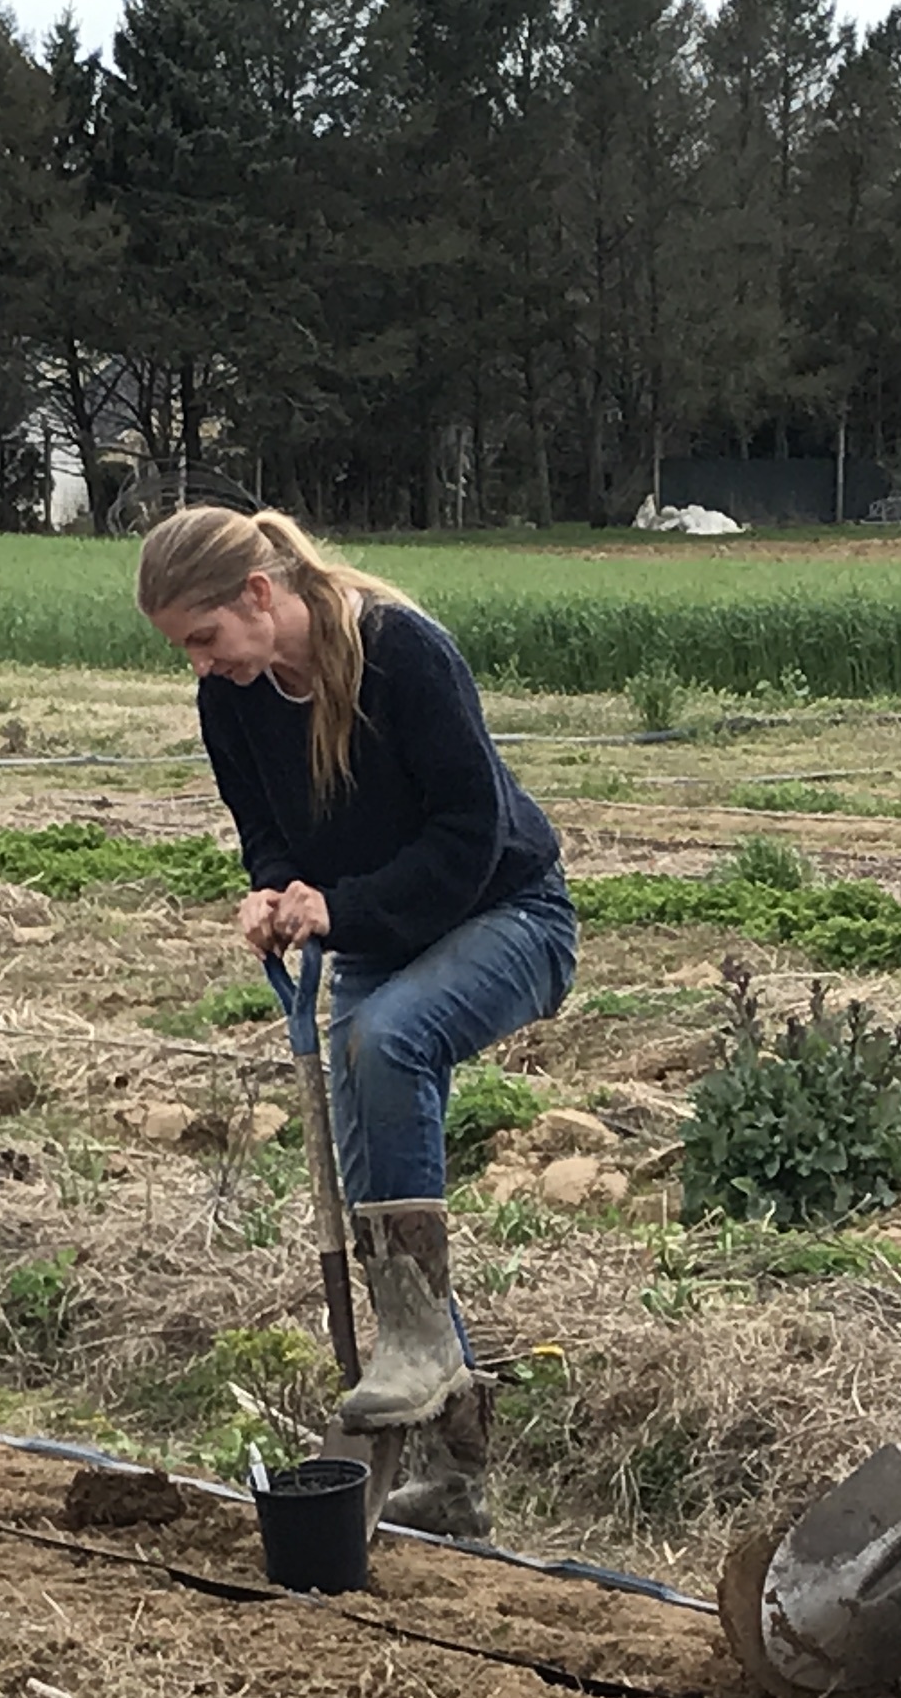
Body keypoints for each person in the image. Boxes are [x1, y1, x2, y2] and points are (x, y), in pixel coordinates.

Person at [136, 505, 577, 1538]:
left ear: (258, 595)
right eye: (182, 651)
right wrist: (268, 891)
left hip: (505, 912)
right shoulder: (235, 699)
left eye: (204, 638)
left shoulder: (400, 652)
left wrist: (342, 909)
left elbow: (471, 832)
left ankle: (426, 1362)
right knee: (372, 1171)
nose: (200, 666)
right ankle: (453, 1479)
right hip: (372, 940)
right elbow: (266, 832)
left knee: (389, 1044)